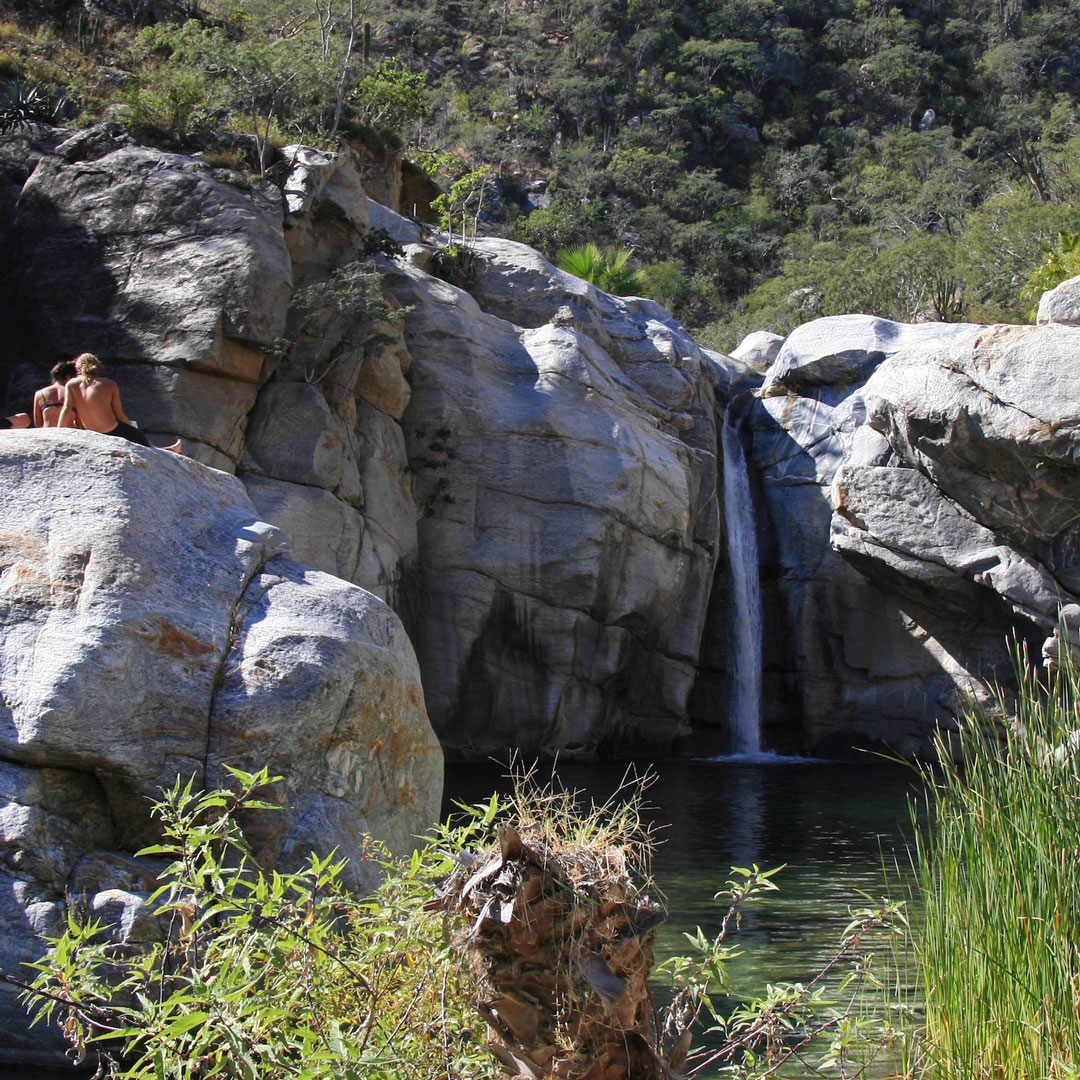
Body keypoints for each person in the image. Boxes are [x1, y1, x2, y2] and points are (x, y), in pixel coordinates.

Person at [58, 353, 182, 453]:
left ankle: (163, 449)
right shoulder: (109, 384)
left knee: (133, 431)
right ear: (97, 366)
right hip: (111, 429)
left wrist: (57, 431)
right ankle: (166, 451)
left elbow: (67, 409)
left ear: (78, 368)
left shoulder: (71, 384)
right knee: (138, 435)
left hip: (91, 431)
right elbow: (119, 414)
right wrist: (131, 428)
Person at [33, 360, 78, 428]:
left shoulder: (39, 394)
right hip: (69, 434)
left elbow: (38, 424)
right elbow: (79, 423)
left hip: (48, 434)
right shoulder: (74, 393)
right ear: (69, 377)